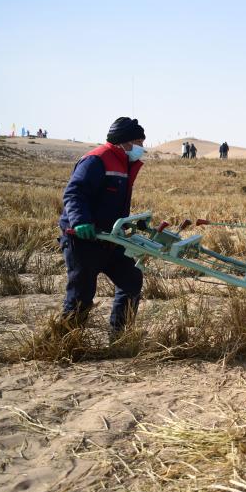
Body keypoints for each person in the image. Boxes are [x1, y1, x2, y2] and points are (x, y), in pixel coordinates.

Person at [58, 117, 146, 335]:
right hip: (83, 239)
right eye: (138, 142)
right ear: (124, 141)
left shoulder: (124, 163)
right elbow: (74, 193)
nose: (141, 148)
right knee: (81, 296)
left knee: (131, 279)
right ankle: (66, 343)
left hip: (109, 238)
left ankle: (119, 336)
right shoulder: (97, 160)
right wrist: (80, 221)